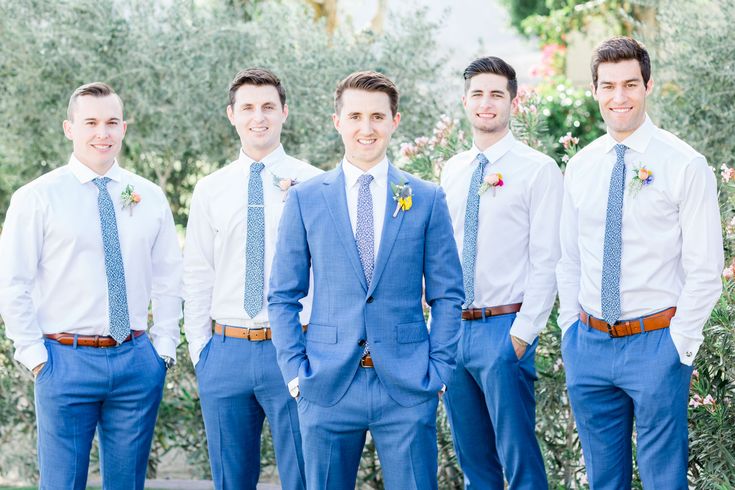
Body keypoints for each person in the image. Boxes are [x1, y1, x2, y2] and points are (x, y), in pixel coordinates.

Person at [268, 70, 464, 489]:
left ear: (395, 121)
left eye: (377, 116)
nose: (366, 128)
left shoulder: (426, 199)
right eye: (355, 116)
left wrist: (439, 370)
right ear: (337, 121)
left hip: (408, 386)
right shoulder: (306, 198)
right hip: (326, 385)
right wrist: (296, 374)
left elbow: (449, 295)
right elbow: (283, 295)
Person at [556, 37, 724, 489]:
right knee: (602, 481)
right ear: (594, 90)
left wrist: (679, 345)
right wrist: (570, 330)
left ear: (647, 85)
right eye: (607, 86)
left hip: (656, 345)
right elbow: (568, 257)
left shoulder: (685, 165)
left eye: (630, 84)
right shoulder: (581, 166)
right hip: (588, 344)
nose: (619, 97)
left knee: (662, 480)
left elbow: (706, 270)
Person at [0, 82, 182, 489]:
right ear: (69, 128)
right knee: (62, 483)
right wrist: (34, 356)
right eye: (91, 122)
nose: (103, 132)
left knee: (127, 483)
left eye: (112, 122)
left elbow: (170, 278)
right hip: (64, 360)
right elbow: (11, 283)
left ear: (124, 129)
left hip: (136, 361)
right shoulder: (36, 198)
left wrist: (164, 349)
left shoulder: (149, 197)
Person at [183, 68, 321, 490]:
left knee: (304, 475)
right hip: (224, 352)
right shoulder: (210, 189)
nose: (257, 117)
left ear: (284, 113)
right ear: (232, 114)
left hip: (295, 346)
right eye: (247, 107)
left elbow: (329, 273)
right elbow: (197, 271)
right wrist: (200, 349)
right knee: (231, 479)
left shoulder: (315, 183)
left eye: (267, 107)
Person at [441, 56, 561, 489]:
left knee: (519, 461)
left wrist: (522, 333)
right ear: (465, 101)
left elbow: (548, 259)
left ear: (513, 100)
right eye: (478, 94)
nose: (486, 103)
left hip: (504, 328)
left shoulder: (538, 170)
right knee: (475, 463)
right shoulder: (452, 170)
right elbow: (443, 251)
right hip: (454, 332)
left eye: (496, 94)